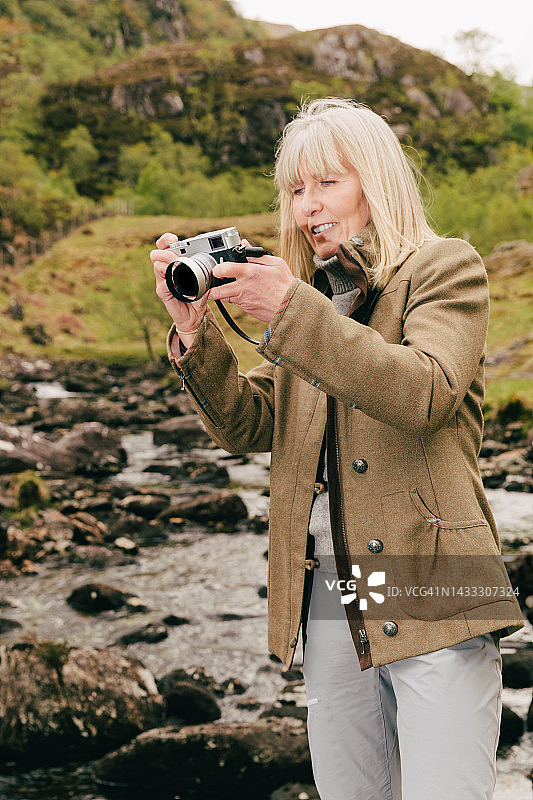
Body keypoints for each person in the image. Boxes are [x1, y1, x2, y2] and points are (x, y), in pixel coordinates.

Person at [151, 98, 524, 800]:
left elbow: (426, 391)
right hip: (333, 594)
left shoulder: (445, 267)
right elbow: (249, 425)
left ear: (374, 181)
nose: (306, 207)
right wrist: (197, 335)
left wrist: (293, 310)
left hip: (437, 580)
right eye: (295, 190)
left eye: (326, 183)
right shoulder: (321, 300)